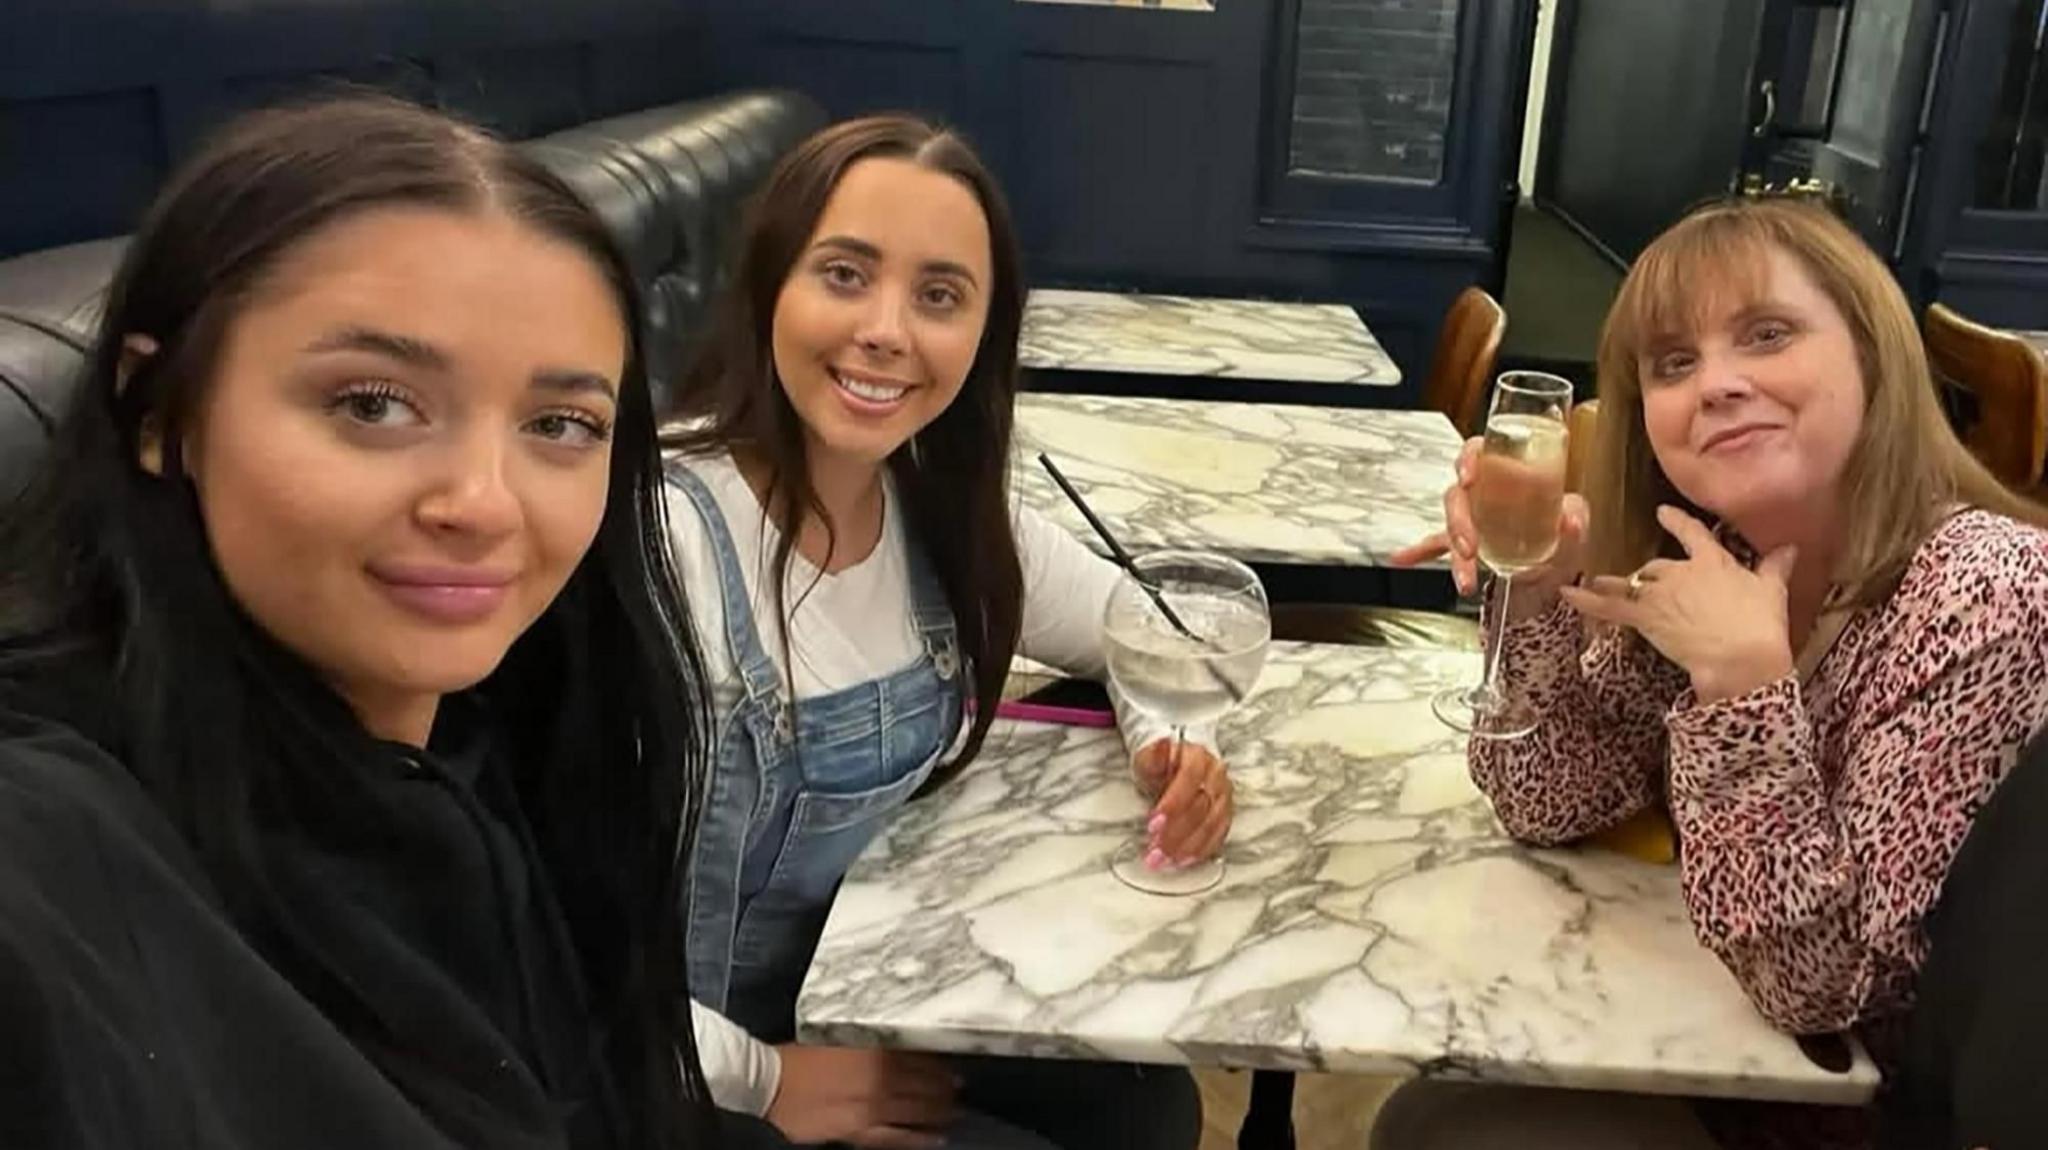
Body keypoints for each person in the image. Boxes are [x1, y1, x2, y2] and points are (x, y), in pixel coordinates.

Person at [0, 94, 777, 1148]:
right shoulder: (58, 844)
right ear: (160, 413)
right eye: (373, 403)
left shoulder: (501, 734)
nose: (485, 503)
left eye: (559, 424)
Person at [1387, 196, 2048, 1148]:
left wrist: (1741, 690)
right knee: (1429, 1111)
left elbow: (1819, 990)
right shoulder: (1721, 553)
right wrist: (1534, 590)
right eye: (1672, 364)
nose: (1717, 385)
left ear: (1872, 351)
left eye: (1768, 334)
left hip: (1866, 1119)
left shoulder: (1983, 590)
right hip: (1700, 1043)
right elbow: (1549, 800)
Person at [660, 115, 1217, 1149]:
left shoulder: (938, 507)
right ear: (766, 287)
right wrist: (769, 1080)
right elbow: (547, 949)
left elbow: (1144, 631)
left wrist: (1166, 737)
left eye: (939, 296)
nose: (887, 330)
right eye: (842, 274)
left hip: (856, 987)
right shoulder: (667, 547)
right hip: (670, 1068)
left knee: (1146, 1105)